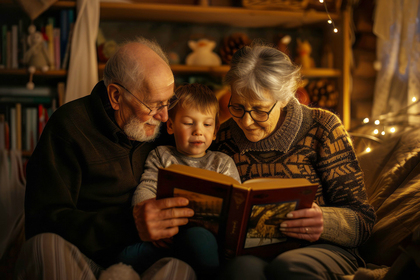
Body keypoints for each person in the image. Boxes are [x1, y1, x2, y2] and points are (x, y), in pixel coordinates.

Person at [15, 37, 197, 280]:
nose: (164, 117)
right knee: (42, 247)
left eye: (168, 102)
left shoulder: (163, 126)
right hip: (83, 261)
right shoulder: (69, 127)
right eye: (154, 105)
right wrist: (128, 223)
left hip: (144, 263)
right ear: (115, 96)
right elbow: (43, 221)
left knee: (181, 270)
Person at [211, 42, 377, 280]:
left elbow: (363, 221)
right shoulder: (224, 136)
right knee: (240, 271)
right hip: (253, 252)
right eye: (237, 107)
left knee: (289, 268)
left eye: (259, 110)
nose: (246, 122)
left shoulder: (323, 128)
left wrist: (325, 221)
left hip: (322, 249)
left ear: (285, 99)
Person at [121, 83, 240, 277]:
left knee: (198, 240)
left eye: (207, 124)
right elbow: (146, 188)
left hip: (207, 239)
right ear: (170, 125)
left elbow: (236, 204)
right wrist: (146, 212)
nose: (198, 131)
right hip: (168, 236)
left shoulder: (222, 163)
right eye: (188, 123)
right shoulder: (161, 155)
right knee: (126, 256)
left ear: (216, 130)